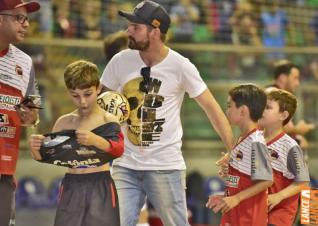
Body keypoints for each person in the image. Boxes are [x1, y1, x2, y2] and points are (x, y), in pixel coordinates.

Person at [100, 1, 234, 225]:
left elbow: (212, 108)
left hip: (165, 166)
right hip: (125, 164)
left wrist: (233, 151)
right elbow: (99, 104)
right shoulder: (120, 61)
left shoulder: (181, 66)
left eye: (135, 27)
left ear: (154, 32)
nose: (128, 31)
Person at [29, 60, 123, 226]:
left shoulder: (108, 119)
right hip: (71, 185)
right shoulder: (64, 122)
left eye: (87, 94)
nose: (82, 101)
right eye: (75, 95)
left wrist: (96, 140)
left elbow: (118, 150)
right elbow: (46, 156)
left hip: (100, 185)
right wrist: (35, 148)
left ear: (98, 88)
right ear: (68, 92)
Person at [206, 84, 273, 226]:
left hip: (249, 217)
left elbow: (266, 180)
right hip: (235, 213)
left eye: (230, 106)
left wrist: (236, 198)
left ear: (243, 111)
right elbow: (244, 181)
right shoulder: (243, 139)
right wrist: (226, 197)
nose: (227, 111)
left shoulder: (256, 141)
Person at [0, 1, 41, 225]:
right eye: (19, 18)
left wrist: (31, 117)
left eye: (27, 19)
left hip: (5, 167)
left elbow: (33, 107)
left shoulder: (25, 62)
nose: (25, 24)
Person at [259, 88, 310, 225]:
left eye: (267, 107)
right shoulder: (253, 139)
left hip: (279, 214)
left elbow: (303, 181)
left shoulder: (290, 146)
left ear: (283, 115)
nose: (261, 110)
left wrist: (278, 196)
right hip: (256, 210)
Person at [266, 61, 315, 150]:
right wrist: (297, 130)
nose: (298, 83)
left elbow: (286, 128)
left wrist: (297, 136)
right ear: (283, 78)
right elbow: (269, 125)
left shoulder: (282, 97)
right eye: (295, 78)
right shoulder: (272, 93)